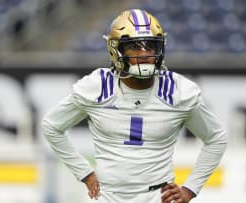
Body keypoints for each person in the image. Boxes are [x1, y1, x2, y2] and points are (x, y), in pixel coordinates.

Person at [42, 9, 227, 203]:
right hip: (106, 196)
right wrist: (84, 172)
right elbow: (52, 126)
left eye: (151, 46)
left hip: (158, 197)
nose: (145, 54)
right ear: (117, 50)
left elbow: (216, 137)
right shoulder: (96, 86)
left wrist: (190, 189)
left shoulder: (178, 91)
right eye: (135, 47)